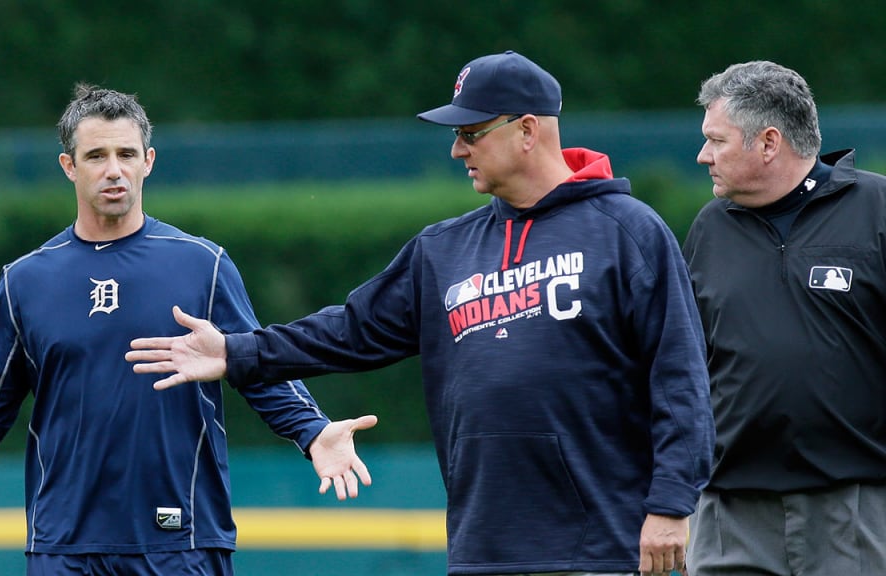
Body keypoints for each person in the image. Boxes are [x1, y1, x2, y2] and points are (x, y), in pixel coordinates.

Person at [126, 50, 714, 576]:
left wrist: (670, 506)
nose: (457, 148)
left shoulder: (628, 232)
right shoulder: (444, 249)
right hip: (484, 546)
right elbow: (350, 331)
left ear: (528, 130)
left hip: (603, 549)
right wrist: (236, 351)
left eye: (471, 132)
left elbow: (680, 378)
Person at [0, 84, 377, 576]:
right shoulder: (25, 282)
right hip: (63, 546)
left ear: (148, 162)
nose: (114, 171)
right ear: (69, 166)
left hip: (181, 540)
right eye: (96, 156)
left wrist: (312, 430)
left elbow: (252, 361)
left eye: (127, 155)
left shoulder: (202, 265)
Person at [683, 60, 886, 575]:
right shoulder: (709, 227)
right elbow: (686, 365)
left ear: (768, 142)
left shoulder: (877, 208)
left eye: (717, 140)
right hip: (729, 511)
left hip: (855, 508)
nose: (703, 155)